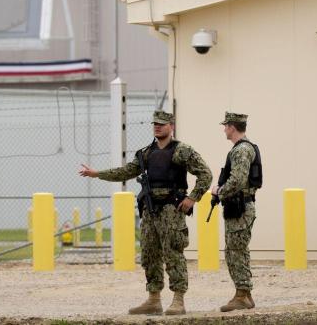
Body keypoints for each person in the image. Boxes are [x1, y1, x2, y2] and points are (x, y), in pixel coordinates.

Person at [79, 110, 212, 315]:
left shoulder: (182, 150)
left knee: (173, 252)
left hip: (172, 208)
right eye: (155, 124)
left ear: (171, 126)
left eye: (162, 124)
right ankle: (153, 299)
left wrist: (193, 197)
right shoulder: (145, 153)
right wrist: (97, 174)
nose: (157, 127)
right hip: (150, 210)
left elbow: (205, 174)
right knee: (149, 253)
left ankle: (178, 299)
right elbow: (126, 172)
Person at [212, 111, 262, 312]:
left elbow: (238, 180)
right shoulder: (243, 148)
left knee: (236, 251)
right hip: (238, 208)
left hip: (241, 208)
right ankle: (244, 294)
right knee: (235, 250)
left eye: (226, 126)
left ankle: (242, 294)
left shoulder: (241, 150)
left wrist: (219, 191)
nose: (224, 129)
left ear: (232, 127)